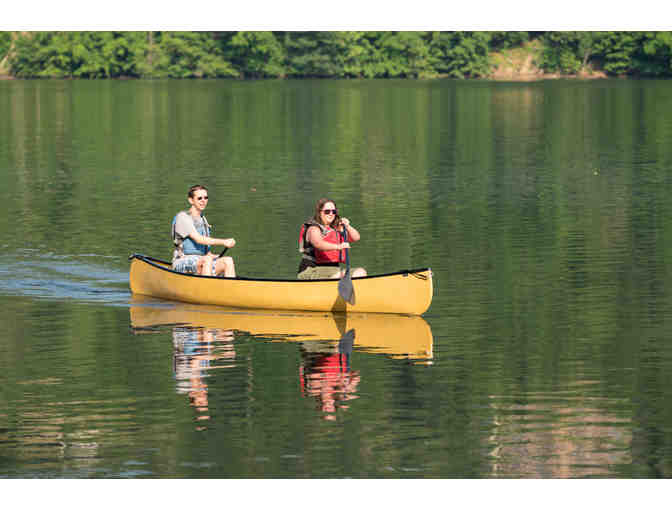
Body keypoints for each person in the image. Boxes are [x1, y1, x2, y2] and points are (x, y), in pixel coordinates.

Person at [171, 184, 236, 277]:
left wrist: (214, 256)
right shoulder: (182, 217)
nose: (203, 201)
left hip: (203, 261)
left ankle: (230, 289)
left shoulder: (203, 220)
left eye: (206, 198)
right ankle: (207, 289)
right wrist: (224, 242)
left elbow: (207, 253)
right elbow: (199, 239)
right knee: (207, 260)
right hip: (182, 261)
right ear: (191, 200)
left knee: (228, 260)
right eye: (199, 198)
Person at [297, 198, 366, 280]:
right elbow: (318, 244)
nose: (331, 214)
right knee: (340, 275)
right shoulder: (313, 229)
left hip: (333, 271)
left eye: (333, 211)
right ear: (319, 212)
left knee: (360, 272)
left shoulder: (335, 228)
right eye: (327, 211)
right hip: (311, 271)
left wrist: (347, 226)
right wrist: (338, 246)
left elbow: (356, 237)